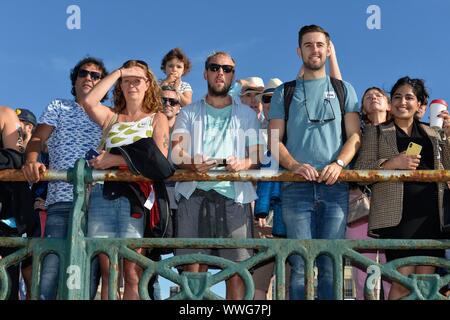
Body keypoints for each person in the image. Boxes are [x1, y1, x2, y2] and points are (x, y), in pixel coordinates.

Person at [268, 25, 361, 300]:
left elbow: (355, 136)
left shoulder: (345, 89)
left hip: (335, 187)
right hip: (296, 187)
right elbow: (274, 140)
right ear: (299, 51)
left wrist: (340, 164)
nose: (314, 50)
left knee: (330, 264)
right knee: (299, 265)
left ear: (328, 49)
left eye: (320, 44)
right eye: (308, 45)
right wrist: (295, 165)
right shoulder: (284, 92)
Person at [171, 51, 261, 300]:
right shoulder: (187, 113)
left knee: (236, 272)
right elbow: (176, 152)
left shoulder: (248, 115)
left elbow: (257, 155)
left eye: (227, 69)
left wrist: (244, 162)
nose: (220, 73)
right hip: (194, 194)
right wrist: (191, 163)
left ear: (233, 75)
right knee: (193, 272)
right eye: (214, 67)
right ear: (205, 73)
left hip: (235, 198)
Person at [81, 59, 170, 300]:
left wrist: (115, 159)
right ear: (119, 85)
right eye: (126, 81)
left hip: (137, 197)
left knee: (132, 271)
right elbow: (88, 101)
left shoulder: (156, 118)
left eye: (137, 79)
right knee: (110, 271)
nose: (132, 84)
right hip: (104, 195)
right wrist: (119, 72)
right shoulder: (112, 118)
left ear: (148, 84)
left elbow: (159, 161)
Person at [354, 76, 450, 300]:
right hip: (397, 219)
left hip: (432, 217)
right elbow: (360, 173)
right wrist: (391, 164)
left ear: (420, 105)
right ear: (390, 103)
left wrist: (449, 134)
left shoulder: (433, 133)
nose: (402, 102)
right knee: (402, 284)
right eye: (397, 97)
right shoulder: (376, 132)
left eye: (409, 97)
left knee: (426, 286)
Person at [22, 57, 109, 299]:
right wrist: (31, 160)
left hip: (98, 203)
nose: (89, 78)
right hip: (60, 200)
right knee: (49, 273)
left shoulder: (109, 115)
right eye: (84, 73)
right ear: (75, 78)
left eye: (96, 76)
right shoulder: (58, 106)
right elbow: (37, 139)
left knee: (88, 278)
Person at [346, 87, 391, 300]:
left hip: (393, 208)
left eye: (378, 95)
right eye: (367, 96)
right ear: (362, 107)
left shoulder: (403, 131)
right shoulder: (355, 134)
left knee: (394, 275)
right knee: (364, 275)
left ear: (389, 104)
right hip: (361, 208)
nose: (373, 97)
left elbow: (413, 162)